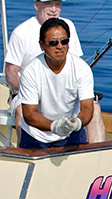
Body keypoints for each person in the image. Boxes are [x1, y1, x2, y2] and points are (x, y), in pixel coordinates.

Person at [4, 0, 105, 146]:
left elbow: (75, 66)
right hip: (27, 92)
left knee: (94, 108)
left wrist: (77, 123)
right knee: (22, 110)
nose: (53, 9)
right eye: (48, 4)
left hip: (64, 93)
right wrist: (32, 95)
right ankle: (23, 152)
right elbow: (11, 73)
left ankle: (97, 155)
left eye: (57, 4)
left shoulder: (69, 27)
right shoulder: (21, 33)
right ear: (36, 5)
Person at [17, 18, 93, 149]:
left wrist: (78, 124)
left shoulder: (82, 68)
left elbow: (87, 108)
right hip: (36, 137)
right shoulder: (31, 71)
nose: (59, 46)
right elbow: (29, 114)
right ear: (42, 45)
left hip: (71, 134)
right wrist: (54, 126)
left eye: (64, 41)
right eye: (53, 43)